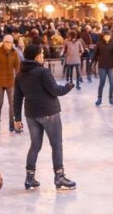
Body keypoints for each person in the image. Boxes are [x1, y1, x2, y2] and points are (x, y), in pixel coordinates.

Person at [13, 43, 77, 191]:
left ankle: (29, 177)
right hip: (49, 113)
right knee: (56, 144)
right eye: (41, 53)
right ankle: (59, 177)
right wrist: (68, 86)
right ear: (37, 56)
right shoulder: (43, 72)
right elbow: (55, 91)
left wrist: (17, 119)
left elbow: (17, 99)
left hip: (31, 115)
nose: (43, 55)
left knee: (35, 145)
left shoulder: (20, 74)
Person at [0, 34, 21, 134]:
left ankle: (12, 124)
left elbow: (18, 68)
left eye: (9, 42)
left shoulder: (15, 53)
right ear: (3, 42)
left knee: (12, 104)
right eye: (6, 42)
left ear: (12, 43)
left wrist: (19, 81)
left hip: (11, 82)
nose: (7, 44)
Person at [94, 30, 113, 106]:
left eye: (108, 36)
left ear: (110, 37)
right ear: (103, 37)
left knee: (112, 83)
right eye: (106, 36)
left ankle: (111, 98)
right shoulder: (99, 44)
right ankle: (99, 98)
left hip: (110, 66)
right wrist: (94, 62)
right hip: (102, 66)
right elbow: (95, 54)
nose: (107, 37)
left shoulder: (112, 44)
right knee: (102, 82)